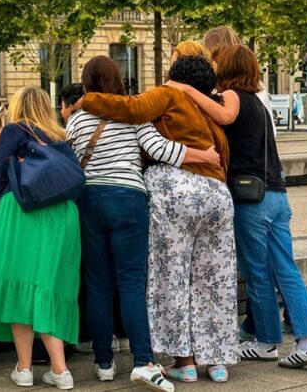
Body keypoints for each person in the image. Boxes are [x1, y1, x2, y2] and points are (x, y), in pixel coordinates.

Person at [81, 55, 238, 384]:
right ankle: (217, 362)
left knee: (172, 276)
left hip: (174, 191)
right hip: (218, 195)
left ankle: (185, 361)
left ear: (175, 78)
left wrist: (88, 99)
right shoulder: (210, 110)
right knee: (214, 280)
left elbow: (135, 111)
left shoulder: (168, 94)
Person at [169, 45, 307, 369]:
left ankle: (271, 342)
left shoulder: (235, 95)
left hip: (254, 199)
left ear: (228, 68)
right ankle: (304, 339)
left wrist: (183, 88)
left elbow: (224, 115)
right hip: (277, 195)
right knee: (285, 268)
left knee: (257, 273)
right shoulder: (260, 104)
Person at [0, 86, 81, 390]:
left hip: (22, 210)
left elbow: (0, 174)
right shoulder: (60, 134)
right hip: (61, 216)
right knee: (47, 287)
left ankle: (24, 369)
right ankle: (60, 371)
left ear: (18, 106)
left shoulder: (14, 129)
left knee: (17, 285)